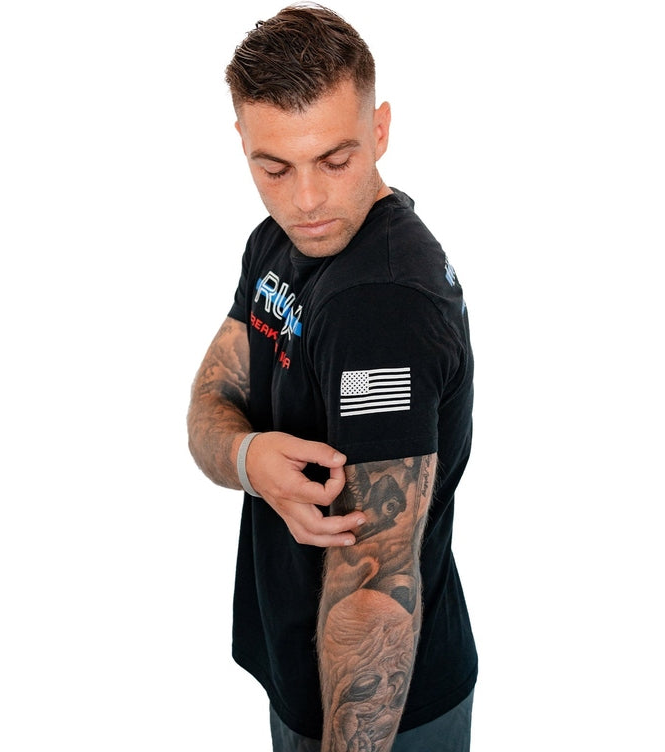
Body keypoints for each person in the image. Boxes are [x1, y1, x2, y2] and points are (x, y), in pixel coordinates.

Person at [187, 5, 477, 750]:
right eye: (274, 168)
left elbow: (376, 581)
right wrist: (251, 459)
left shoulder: (380, 305)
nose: (307, 199)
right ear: (243, 141)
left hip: (380, 713)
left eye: (335, 161)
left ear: (380, 130)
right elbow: (213, 395)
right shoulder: (277, 242)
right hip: (303, 672)